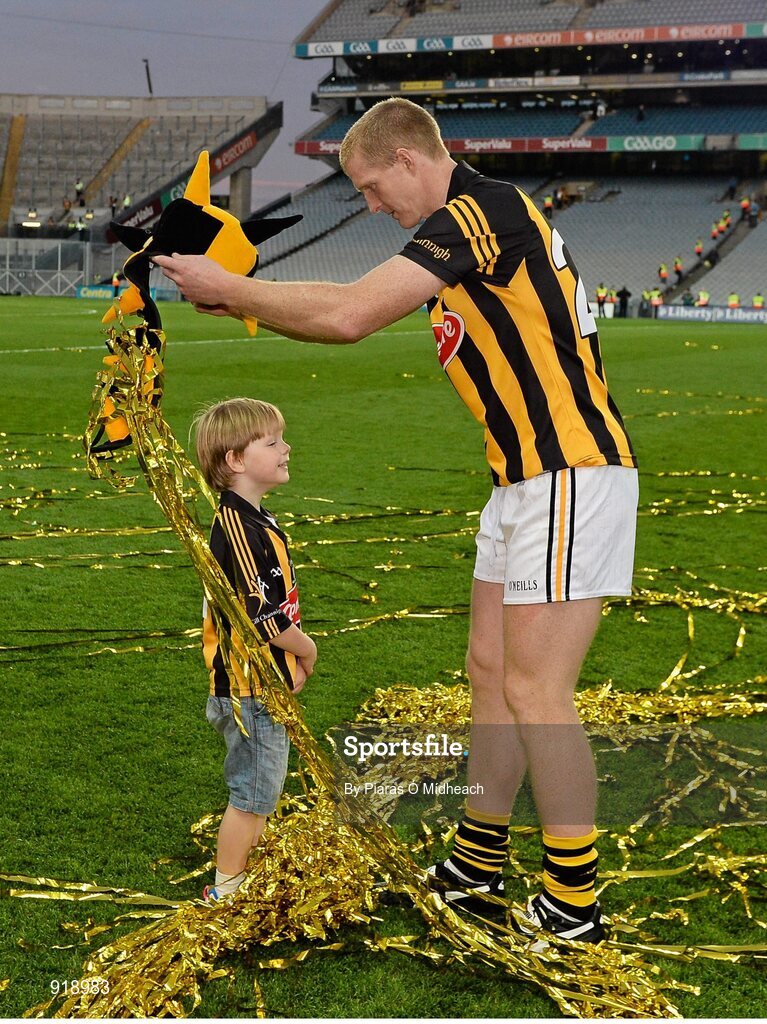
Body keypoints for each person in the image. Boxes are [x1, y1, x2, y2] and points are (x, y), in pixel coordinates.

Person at [155, 98, 638, 942]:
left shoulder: (479, 212)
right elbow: (343, 297)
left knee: (534, 688)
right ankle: (477, 860)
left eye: (374, 188)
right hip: (521, 482)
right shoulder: (468, 227)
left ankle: (573, 901)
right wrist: (242, 303)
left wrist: (234, 287)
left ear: (411, 159)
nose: (371, 206)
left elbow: (350, 315)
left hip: (572, 475)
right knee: (488, 675)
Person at [193, 397, 317, 902]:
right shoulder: (238, 530)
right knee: (252, 796)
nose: (286, 448)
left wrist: (289, 667)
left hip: (264, 683)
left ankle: (241, 874)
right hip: (249, 694)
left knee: (261, 790)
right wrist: (306, 650)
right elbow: (261, 618)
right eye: (273, 442)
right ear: (236, 461)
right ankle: (227, 891)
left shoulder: (254, 519)